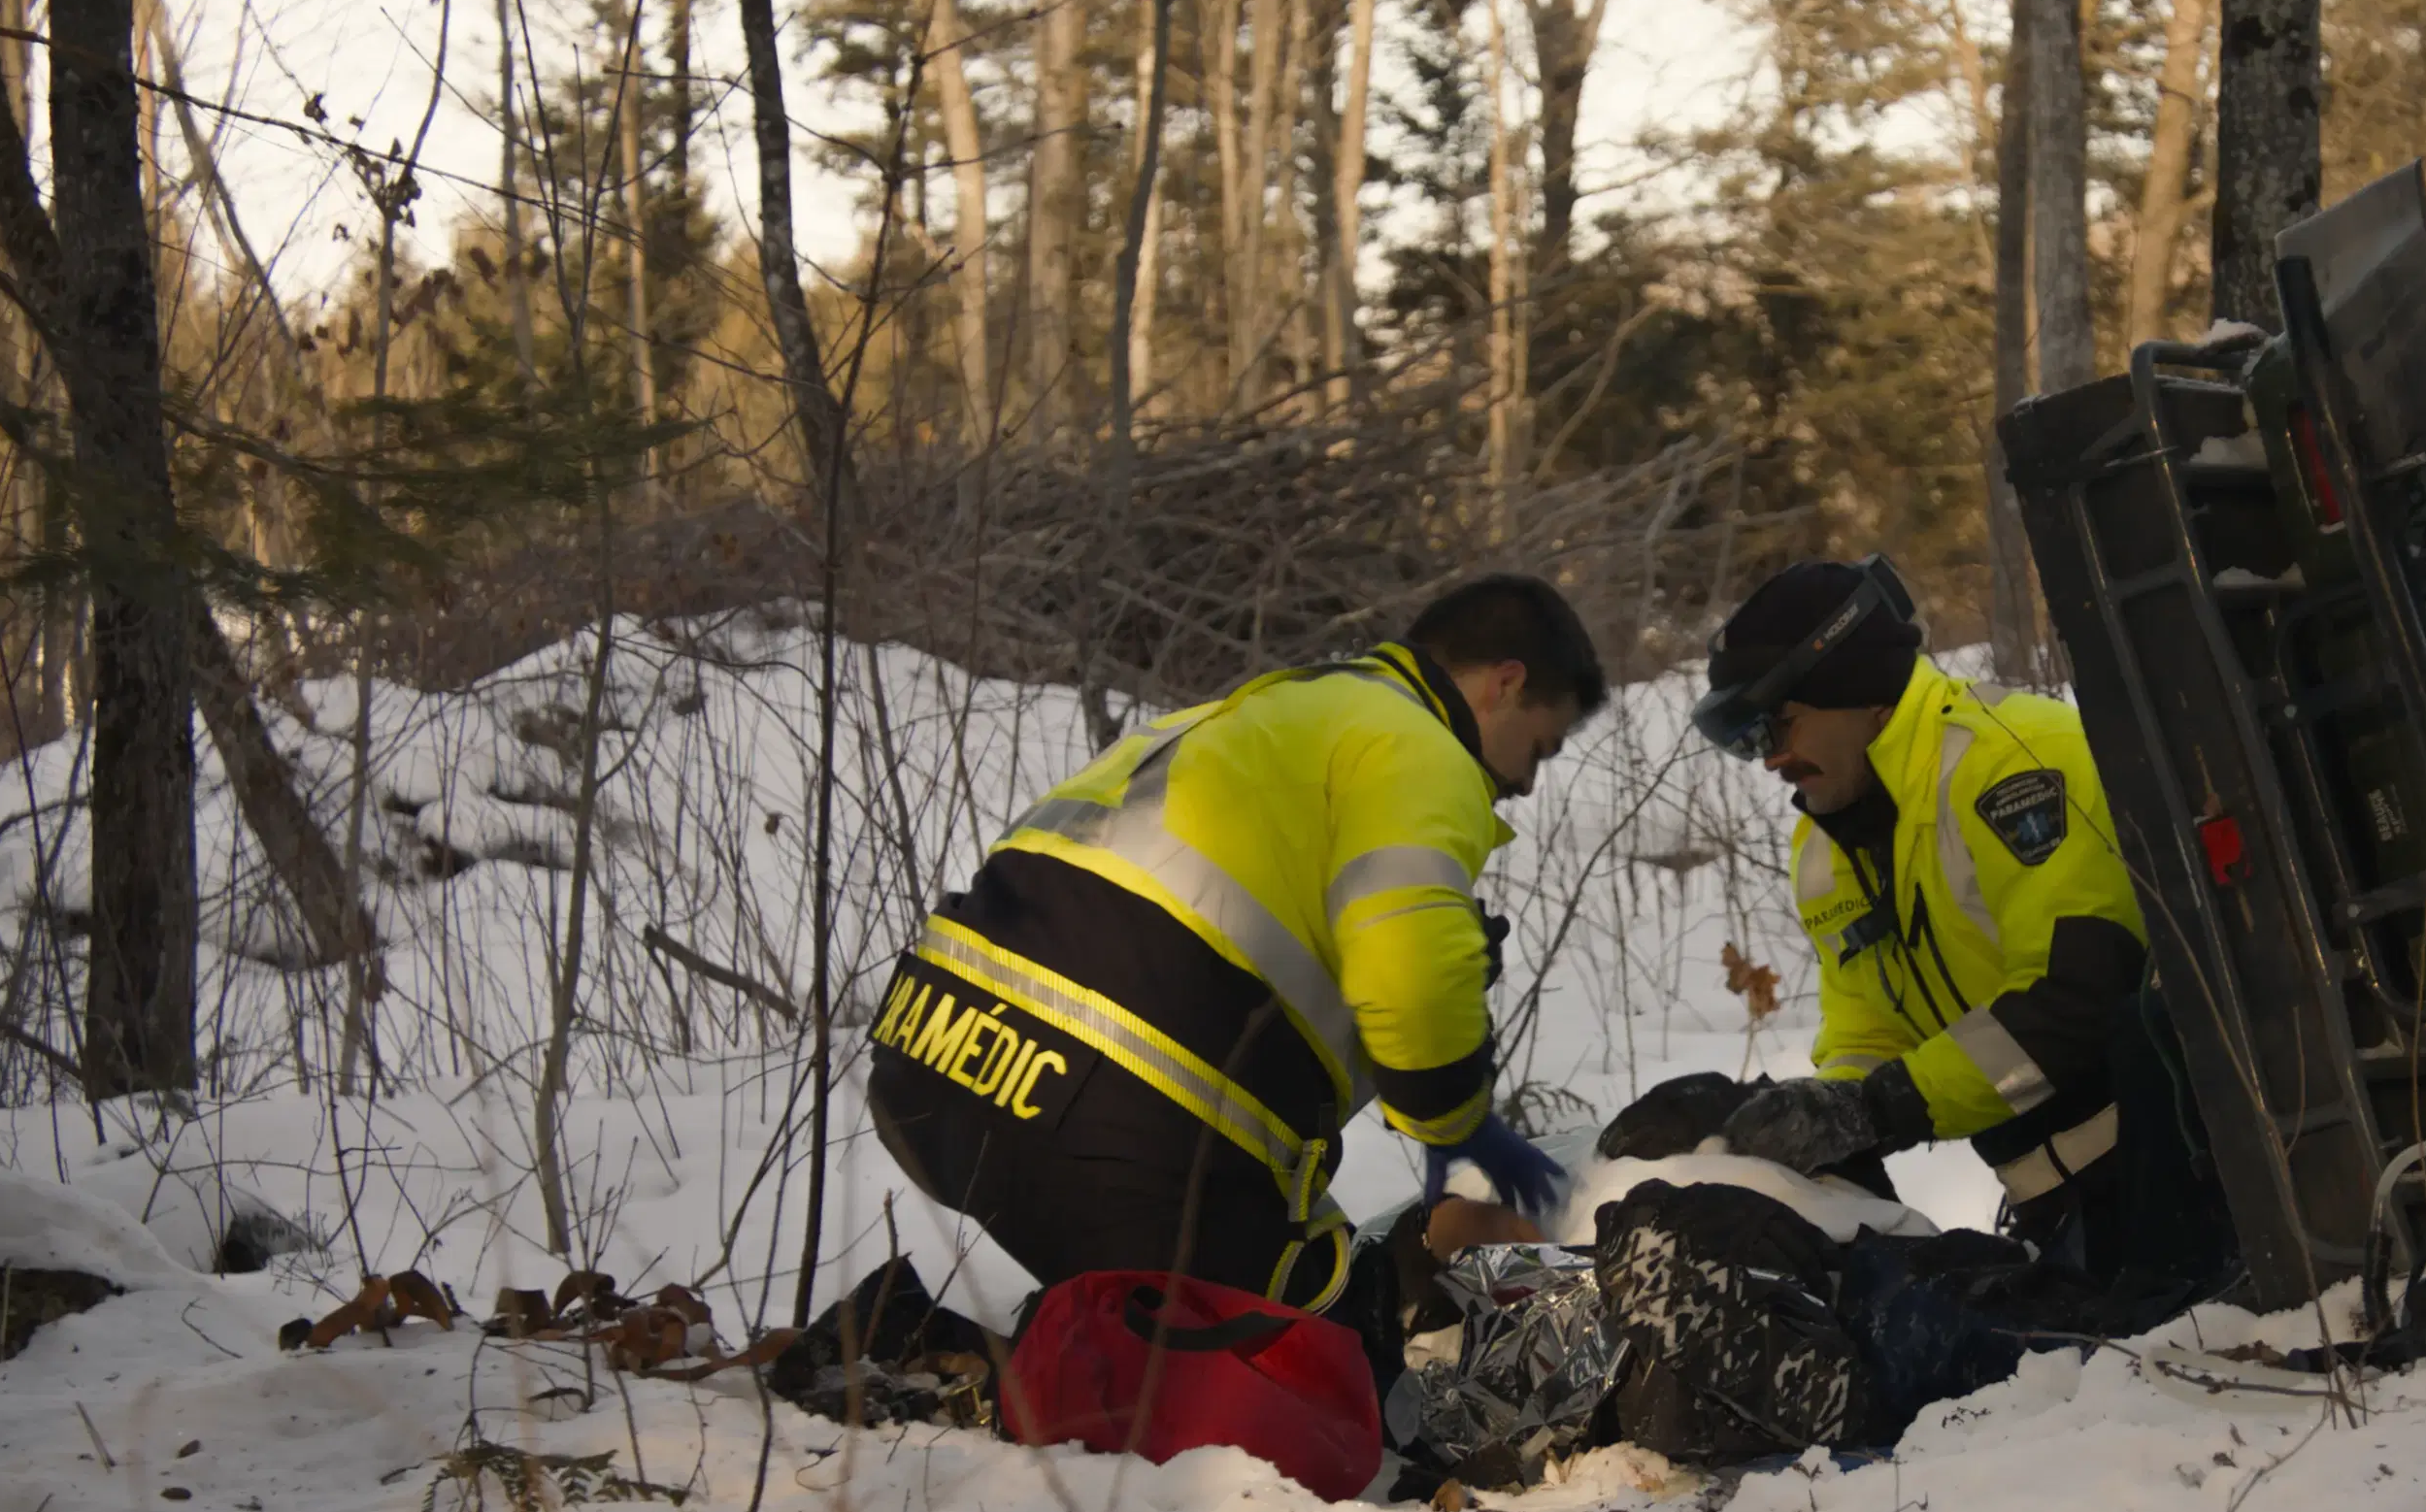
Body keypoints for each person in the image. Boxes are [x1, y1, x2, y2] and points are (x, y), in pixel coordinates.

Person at [866, 575, 1600, 1369]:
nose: (1525, 782)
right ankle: (973, 1378)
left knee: (1243, 1288)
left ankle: (953, 1357)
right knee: (1332, 1359)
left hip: (932, 1061)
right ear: (1506, 681)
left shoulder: (1268, 711)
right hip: (1096, 1107)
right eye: (1540, 745)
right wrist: (1459, 1127)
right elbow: (1409, 977)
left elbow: (1222, 943)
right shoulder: (1418, 746)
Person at [1690, 556, 2230, 1286]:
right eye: (1749, 740)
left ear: (1858, 690)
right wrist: (1822, 1110)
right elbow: (1868, 1027)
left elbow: (2078, 996)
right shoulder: (1821, 846)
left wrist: (1883, 1106)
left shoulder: (2010, 764)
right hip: (2050, 1206)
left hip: (2181, 1179)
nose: (1772, 759)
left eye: (1776, 726)